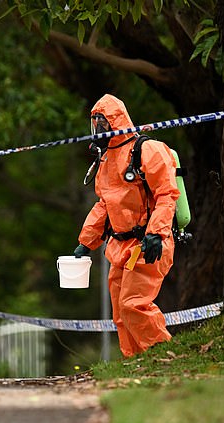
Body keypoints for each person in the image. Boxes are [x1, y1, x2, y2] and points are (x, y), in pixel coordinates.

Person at [74, 94, 179, 358]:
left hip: (148, 243)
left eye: (102, 122)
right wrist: (86, 242)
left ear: (115, 121)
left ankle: (160, 354)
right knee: (121, 312)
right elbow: (104, 204)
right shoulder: (107, 159)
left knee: (134, 304)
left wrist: (156, 233)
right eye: (95, 122)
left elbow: (167, 194)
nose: (97, 128)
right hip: (121, 247)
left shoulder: (146, 150)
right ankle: (135, 361)